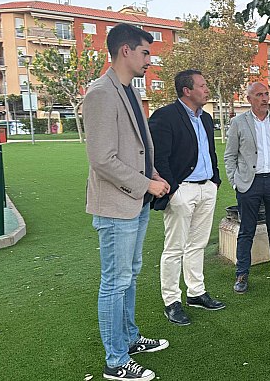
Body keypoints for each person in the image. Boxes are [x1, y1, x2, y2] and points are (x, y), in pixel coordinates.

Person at [83, 23, 170, 381]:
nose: (150, 59)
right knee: (115, 282)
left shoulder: (130, 92)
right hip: (117, 206)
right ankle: (116, 361)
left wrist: (156, 175)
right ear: (126, 51)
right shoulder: (101, 93)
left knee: (129, 276)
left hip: (136, 202)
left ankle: (130, 338)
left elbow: (138, 147)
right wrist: (145, 184)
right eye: (146, 52)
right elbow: (102, 159)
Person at [149, 69, 224, 327]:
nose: (207, 89)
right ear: (187, 91)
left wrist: (215, 180)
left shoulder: (206, 118)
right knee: (174, 248)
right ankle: (172, 301)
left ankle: (196, 293)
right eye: (202, 86)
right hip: (182, 190)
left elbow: (209, 151)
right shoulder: (165, 116)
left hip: (206, 188)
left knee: (197, 244)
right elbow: (158, 157)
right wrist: (173, 189)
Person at [224, 81, 270, 293]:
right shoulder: (238, 122)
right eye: (259, 95)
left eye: (266, 94)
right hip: (249, 182)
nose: (265, 98)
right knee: (247, 229)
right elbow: (230, 155)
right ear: (249, 99)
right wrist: (235, 180)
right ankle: (242, 274)